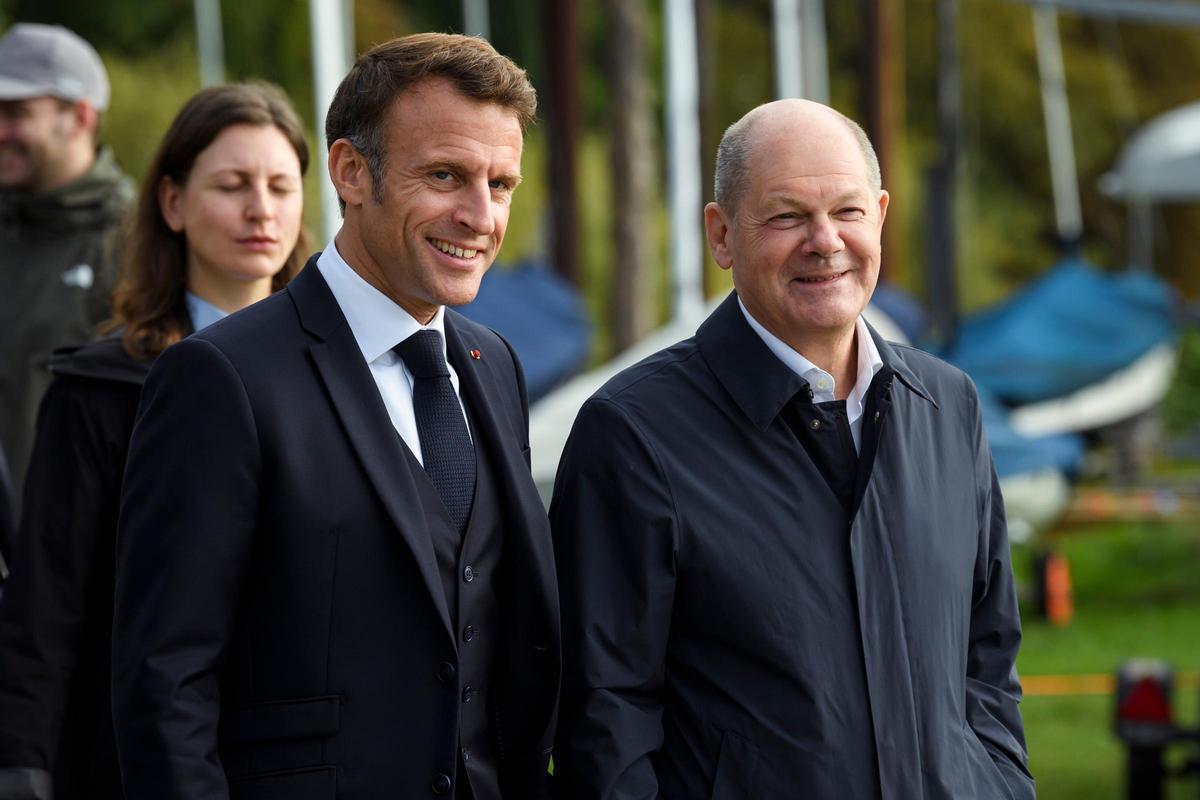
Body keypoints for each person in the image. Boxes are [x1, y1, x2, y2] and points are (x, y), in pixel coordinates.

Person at [111, 33, 559, 800]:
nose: (480, 216)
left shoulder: (496, 366)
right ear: (351, 171)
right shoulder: (221, 376)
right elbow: (166, 683)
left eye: (501, 184)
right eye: (445, 175)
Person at [549, 99, 1035, 799]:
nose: (824, 241)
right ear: (721, 235)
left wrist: (1000, 785)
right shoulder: (632, 434)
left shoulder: (948, 405)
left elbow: (987, 660)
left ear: (881, 216)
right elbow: (604, 717)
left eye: (847, 211)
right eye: (786, 217)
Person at [0, 82, 310, 800]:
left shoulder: (347, 377)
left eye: (280, 186)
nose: (261, 210)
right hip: (136, 758)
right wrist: (22, 761)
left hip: (304, 757)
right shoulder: (99, 390)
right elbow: (48, 600)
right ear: (172, 202)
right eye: (232, 185)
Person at [0, 23, 134, 515]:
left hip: (63, 548)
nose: (0, 130)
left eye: (16, 113)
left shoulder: (138, 242)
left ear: (79, 117)